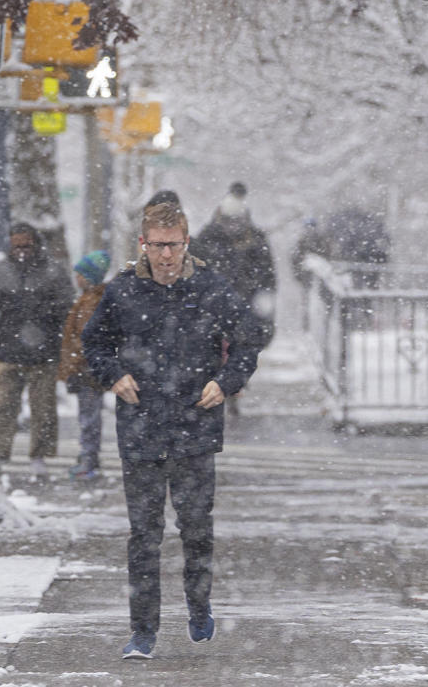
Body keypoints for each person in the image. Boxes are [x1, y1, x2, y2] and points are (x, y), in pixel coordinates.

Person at [81, 200, 269, 660]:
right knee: (144, 535)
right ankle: (143, 630)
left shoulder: (210, 288)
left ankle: (199, 606)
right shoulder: (123, 291)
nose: (166, 255)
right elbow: (94, 341)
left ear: (186, 243)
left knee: (196, 528)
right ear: (143, 245)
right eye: (158, 245)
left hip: (195, 425)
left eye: (174, 245)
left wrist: (226, 381)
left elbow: (248, 338)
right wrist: (113, 375)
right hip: (141, 427)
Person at [0, 222, 74, 477]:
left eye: (26, 246)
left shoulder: (53, 271)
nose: (22, 251)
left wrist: (40, 309)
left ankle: (39, 456)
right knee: (2, 406)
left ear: (36, 245)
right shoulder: (2, 271)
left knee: (42, 407)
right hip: (9, 350)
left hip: (43, 352)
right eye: (17, 246)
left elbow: (66, 306)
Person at [57, 249, 112, 480]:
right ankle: (88, 457)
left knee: (88, 417)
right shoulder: (90, 299)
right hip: (89, 367)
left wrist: (75, 363)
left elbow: (84, 338)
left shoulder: (90, 302)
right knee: (89, 415)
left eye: (80, 274)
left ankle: (89, 459)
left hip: (87, 369)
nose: (76, 278)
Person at [194, 182, 277, 327]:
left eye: (237, 221)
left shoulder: (256, 240)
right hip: (214, 311)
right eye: (229, 221)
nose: (233, 226)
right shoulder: (207, 238)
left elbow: (267, 277)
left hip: (245, 309)